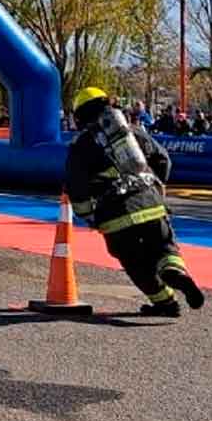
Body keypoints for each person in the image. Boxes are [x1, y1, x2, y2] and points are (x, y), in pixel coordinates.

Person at [65, 87, 204, 317]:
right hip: (149, 203)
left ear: (80, 115)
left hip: (114, 216)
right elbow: (162, 159)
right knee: (164, 247)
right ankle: (174, 270)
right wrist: (156, 188)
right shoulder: (133, 132)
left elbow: (76, 187)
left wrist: (89, 216)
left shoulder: (81, 145)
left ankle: (165, 303)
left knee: (135, 263)